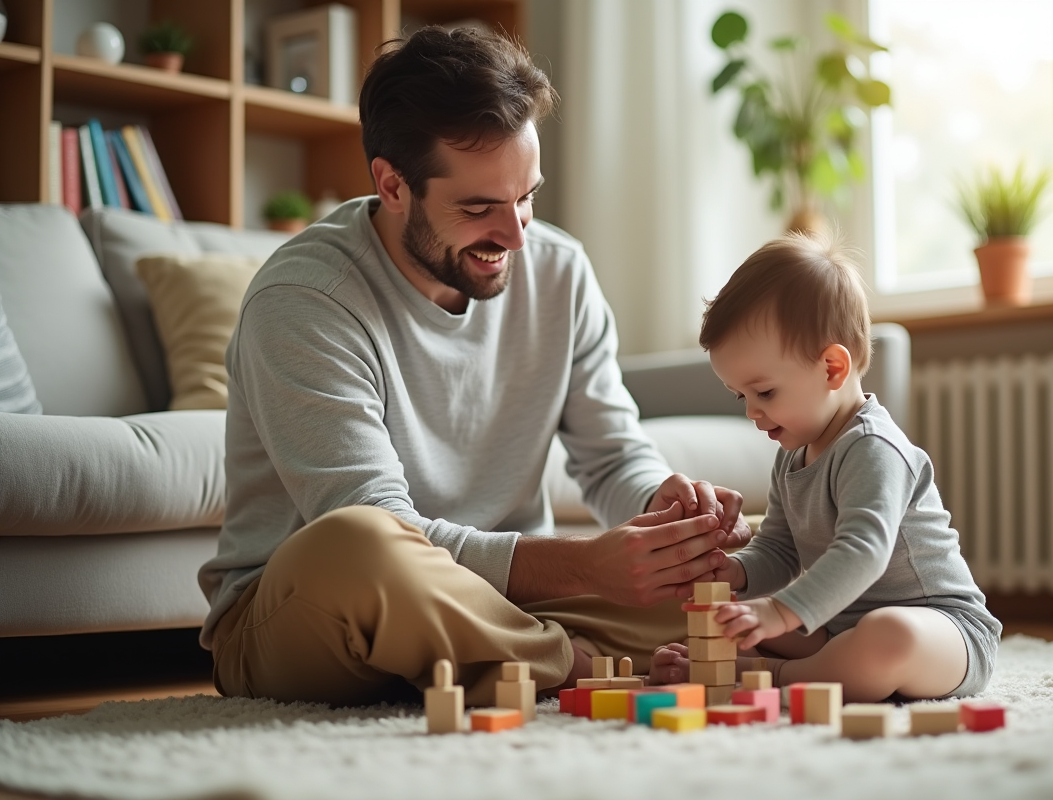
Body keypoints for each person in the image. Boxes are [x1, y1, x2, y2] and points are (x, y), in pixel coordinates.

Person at [198, 27, 752, 707]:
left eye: (527, 197)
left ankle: (520, 654)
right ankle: (571, 663)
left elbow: (612, 456)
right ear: (392, 185)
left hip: (505, 605)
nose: (516, 235)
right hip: (319, 613)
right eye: (479, 207)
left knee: (751, 571)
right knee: (360, 543)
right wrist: (585, 564)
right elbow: (380, 525)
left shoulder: (560, 271)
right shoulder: (306, 298)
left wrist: (664, 515)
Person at [648, 232, 1001, 702]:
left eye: (764, 392)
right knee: (730, 620)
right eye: (741, 397)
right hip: (839, 626)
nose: (751, 412)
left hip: (945, 631)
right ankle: (767, 666)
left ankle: (771, 675)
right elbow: (779, 550)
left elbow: (864, 551)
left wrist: (780, 613)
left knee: (886, 636)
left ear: (833, 368)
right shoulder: (791, 455)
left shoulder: (873, 447)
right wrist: (732, 574)